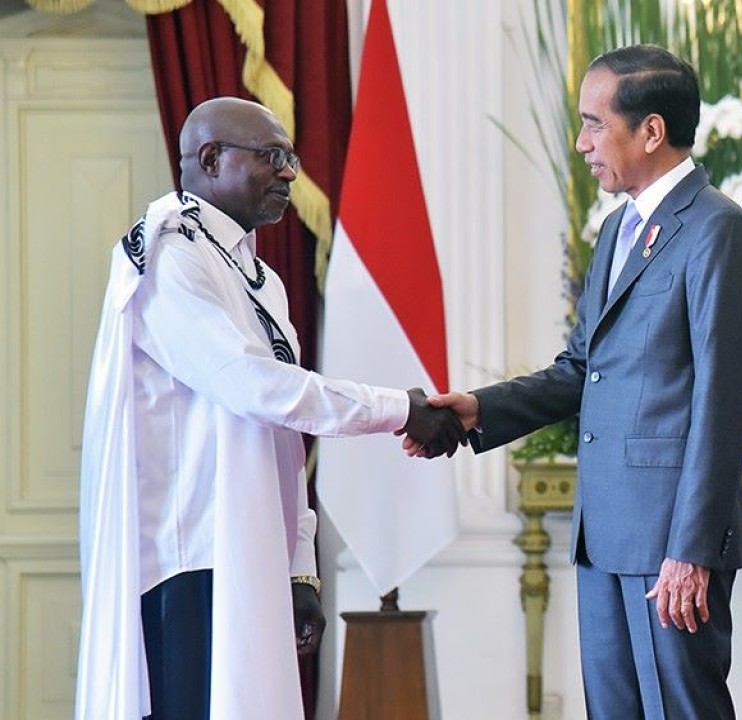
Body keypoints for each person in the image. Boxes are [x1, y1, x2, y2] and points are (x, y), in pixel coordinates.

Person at [75, 96, 462, 720]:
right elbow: (256, 388)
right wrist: (401, 409)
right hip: (190, 559)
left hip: (248, 548)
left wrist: (300, 570)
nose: (289, 174)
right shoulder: (171, 255)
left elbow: (283, 436)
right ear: (210, 158)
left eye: (292, 158)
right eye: (272, 157)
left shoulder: (257, 275)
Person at [419, 45, 742, 718]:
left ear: (651, 131)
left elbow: (722, 401)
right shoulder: (616, 231)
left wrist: (689, 550)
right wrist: (474, 411)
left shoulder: (718, 227)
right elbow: (583, 368)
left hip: (670, 541)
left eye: (593, 123)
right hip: (603, 530)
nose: (581, 143)